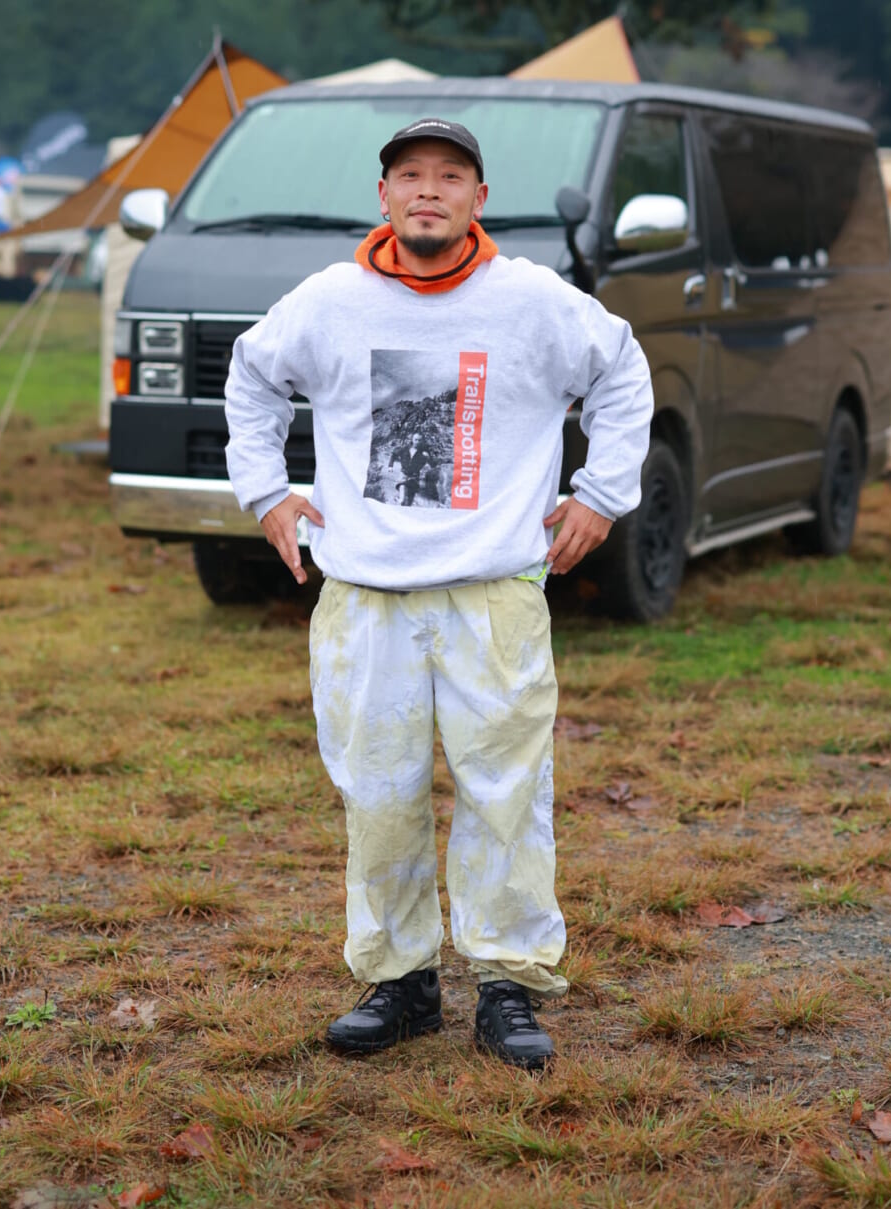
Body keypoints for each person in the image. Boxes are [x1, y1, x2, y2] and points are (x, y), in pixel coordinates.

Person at [224, 117, 653, 1071]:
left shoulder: (532, 301)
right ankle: (400, 980)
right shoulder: (329, 302)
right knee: (378, 791)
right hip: (366, 596)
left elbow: (622, 370)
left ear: (478, 199)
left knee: (506, 792)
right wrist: (265, 492)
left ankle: (508, 981)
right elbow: (252, 376)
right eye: (410, 175)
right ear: (383, 196)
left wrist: (600, 495)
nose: (429, 190)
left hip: (492, 591)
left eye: (450, 176)